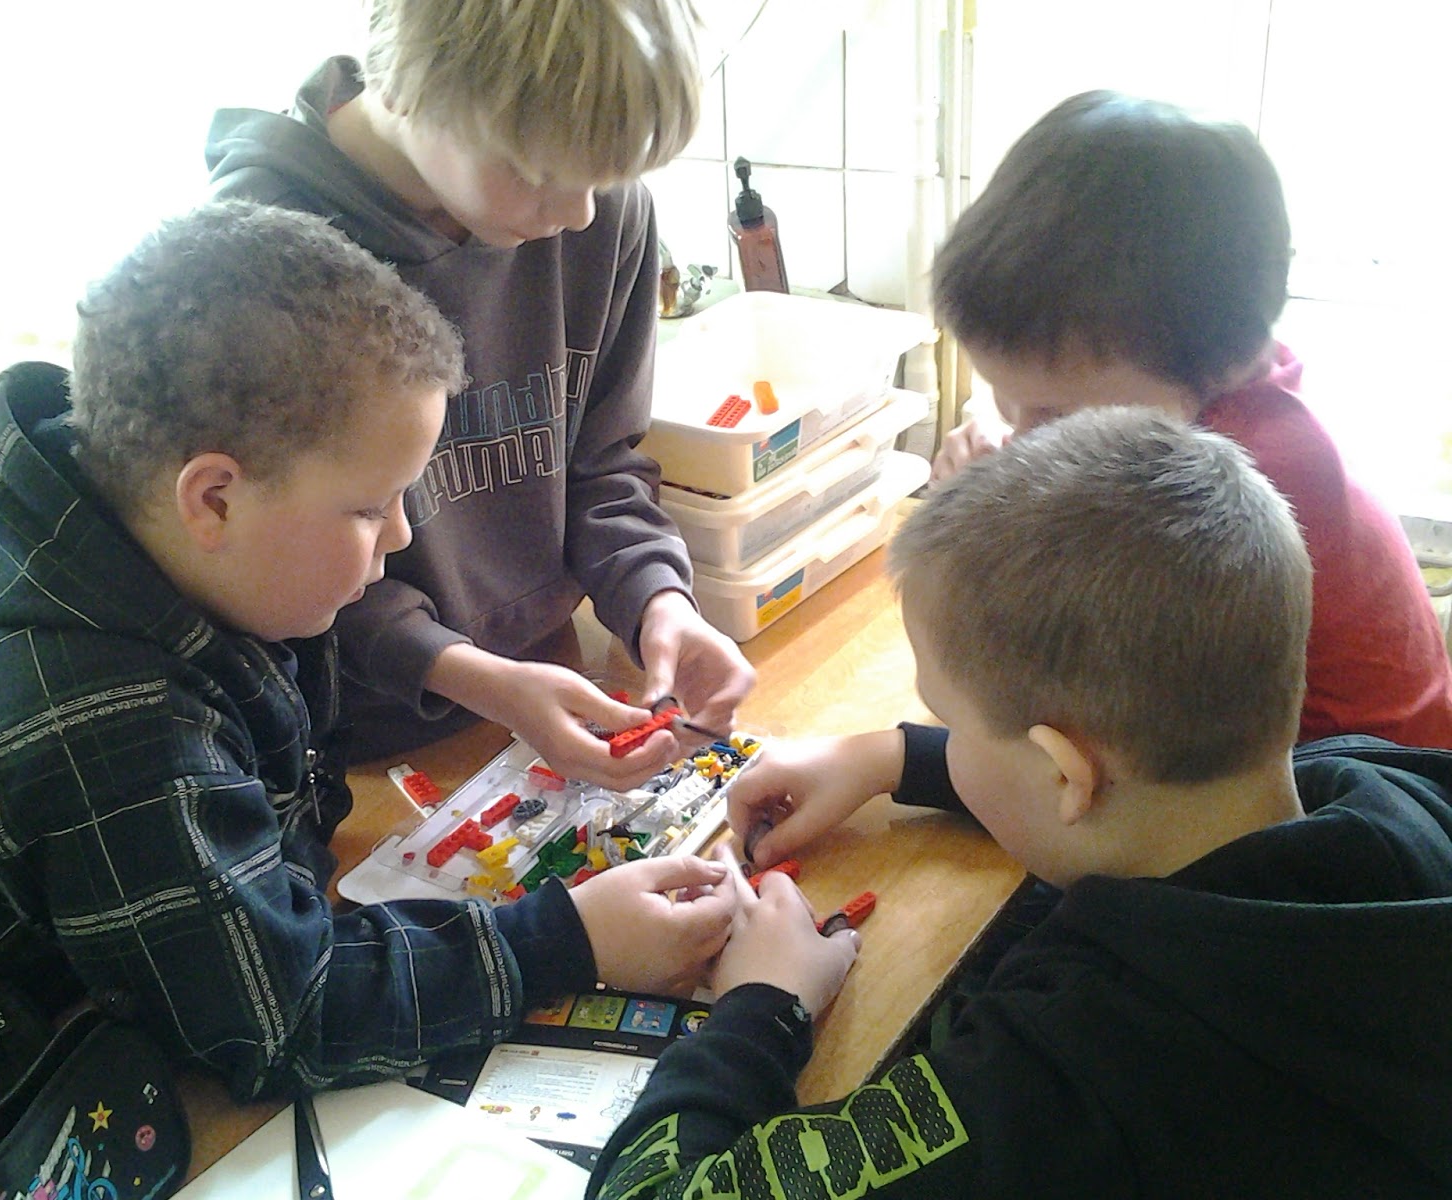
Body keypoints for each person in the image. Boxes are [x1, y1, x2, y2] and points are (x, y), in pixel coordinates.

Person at [0, 201, 737, 1100]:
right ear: (214, 500)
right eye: (370, 507)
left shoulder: (157, 562)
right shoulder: (103, 723)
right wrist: (565, 941)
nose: (401, 535)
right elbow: (282, 1020)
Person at [588, 406, 1452, 1198]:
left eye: (949, 722)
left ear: (1064, 774)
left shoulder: (1066, 1077)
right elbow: (1130, 787)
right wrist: (898, 758)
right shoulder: (1378, 788)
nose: (942, 737)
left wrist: (761, 1008)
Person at [205, 0, 756, 789]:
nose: (579, 212)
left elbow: (602, 461)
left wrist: (658, 600)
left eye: (608, 175)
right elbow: (268, 554)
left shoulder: (601, 213)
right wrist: (469, 675)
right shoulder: (253, 254)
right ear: (412, 88)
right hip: (356, 738)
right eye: (541, 174)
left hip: (549, 678)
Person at [926, 89, 1452, 750]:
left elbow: (1051, 696)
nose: (1026, 437)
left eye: (1057, 415)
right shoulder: (1202, 385)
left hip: (1347, 791)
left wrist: (963, 530)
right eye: (1004, 396)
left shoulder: (1236, 482)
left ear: (1223, 361)